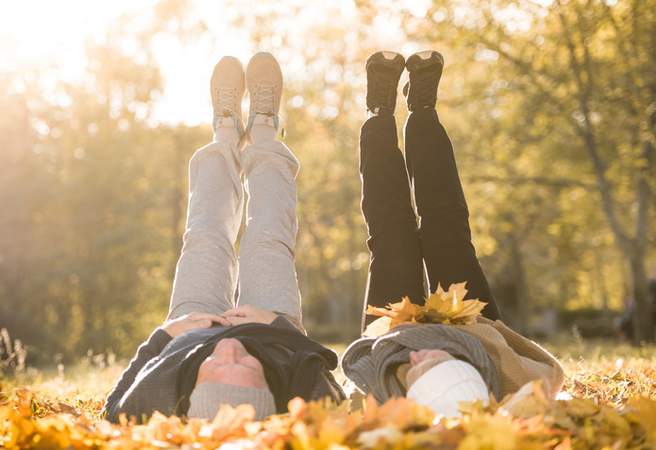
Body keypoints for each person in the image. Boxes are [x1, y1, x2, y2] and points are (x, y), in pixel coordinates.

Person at [102, 52, 344, 423]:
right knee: (267, 238)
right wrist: (275, 324)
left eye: (215, 368)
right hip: (274, 336)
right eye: (247, 369)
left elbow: (113, 406)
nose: (230, 349)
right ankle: (264, 128)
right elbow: (325, 363)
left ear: (189, 395)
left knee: (204, 236)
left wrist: (165, 335)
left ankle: (225, 131)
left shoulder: (152, 400)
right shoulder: (307, 399)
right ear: (274, 398)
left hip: (190, 332)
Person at [342, 50, 564, 417]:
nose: (426, 356)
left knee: (392, 243)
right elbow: (548, 372)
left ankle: (379, 114)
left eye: (421, 368)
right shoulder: (519, 392)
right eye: (439, 364)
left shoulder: (370, 395)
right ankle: (423, 112)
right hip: (476, 335)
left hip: (389, 341)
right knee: (447, 234)